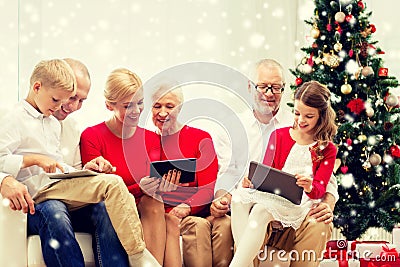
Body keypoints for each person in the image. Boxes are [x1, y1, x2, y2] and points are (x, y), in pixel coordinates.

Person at [0, 59, 160, 267]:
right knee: (106, 186)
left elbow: (59, 166)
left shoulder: (53, 123)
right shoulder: (13, 117)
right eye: (61, 99)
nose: (67, 107)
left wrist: (86, 170)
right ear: (37, 87)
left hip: (57, 187)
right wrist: (31, 162)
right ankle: (138, 255)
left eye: (79, 100)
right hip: (37, 195)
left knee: (105, 205)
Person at [209, 59, 339, 267]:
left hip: (293, 206)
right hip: (252, 204)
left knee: (318, 224)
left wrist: (328, 203)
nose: (269, 93)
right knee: (241, 203)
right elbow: (225, 174)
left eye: (276, 87)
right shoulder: (233, 128)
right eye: (263, 86)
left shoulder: (298, 126)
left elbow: (327, 178)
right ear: (250, 87)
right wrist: (222, 197)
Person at [80, 68, 182, 266]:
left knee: (156, 202)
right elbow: (97, 191)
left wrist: (165, 184)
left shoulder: (152, 138)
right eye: (128, 106)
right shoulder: (92, 136)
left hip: (146, 206)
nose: (136, 111)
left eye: (140, 103)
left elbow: (155, 182)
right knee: (152, 201)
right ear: (109, 105)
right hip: (112, 207)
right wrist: (140, 188)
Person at [150, 83, 219, 267]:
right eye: (157, 106)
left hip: (189, 212)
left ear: (180, 108)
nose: (162, 112)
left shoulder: (201, 139)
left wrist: (186, 206)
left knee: (197, 226)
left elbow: (207, 188)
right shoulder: (144, 141)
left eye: (169, 106)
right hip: (156, 214)